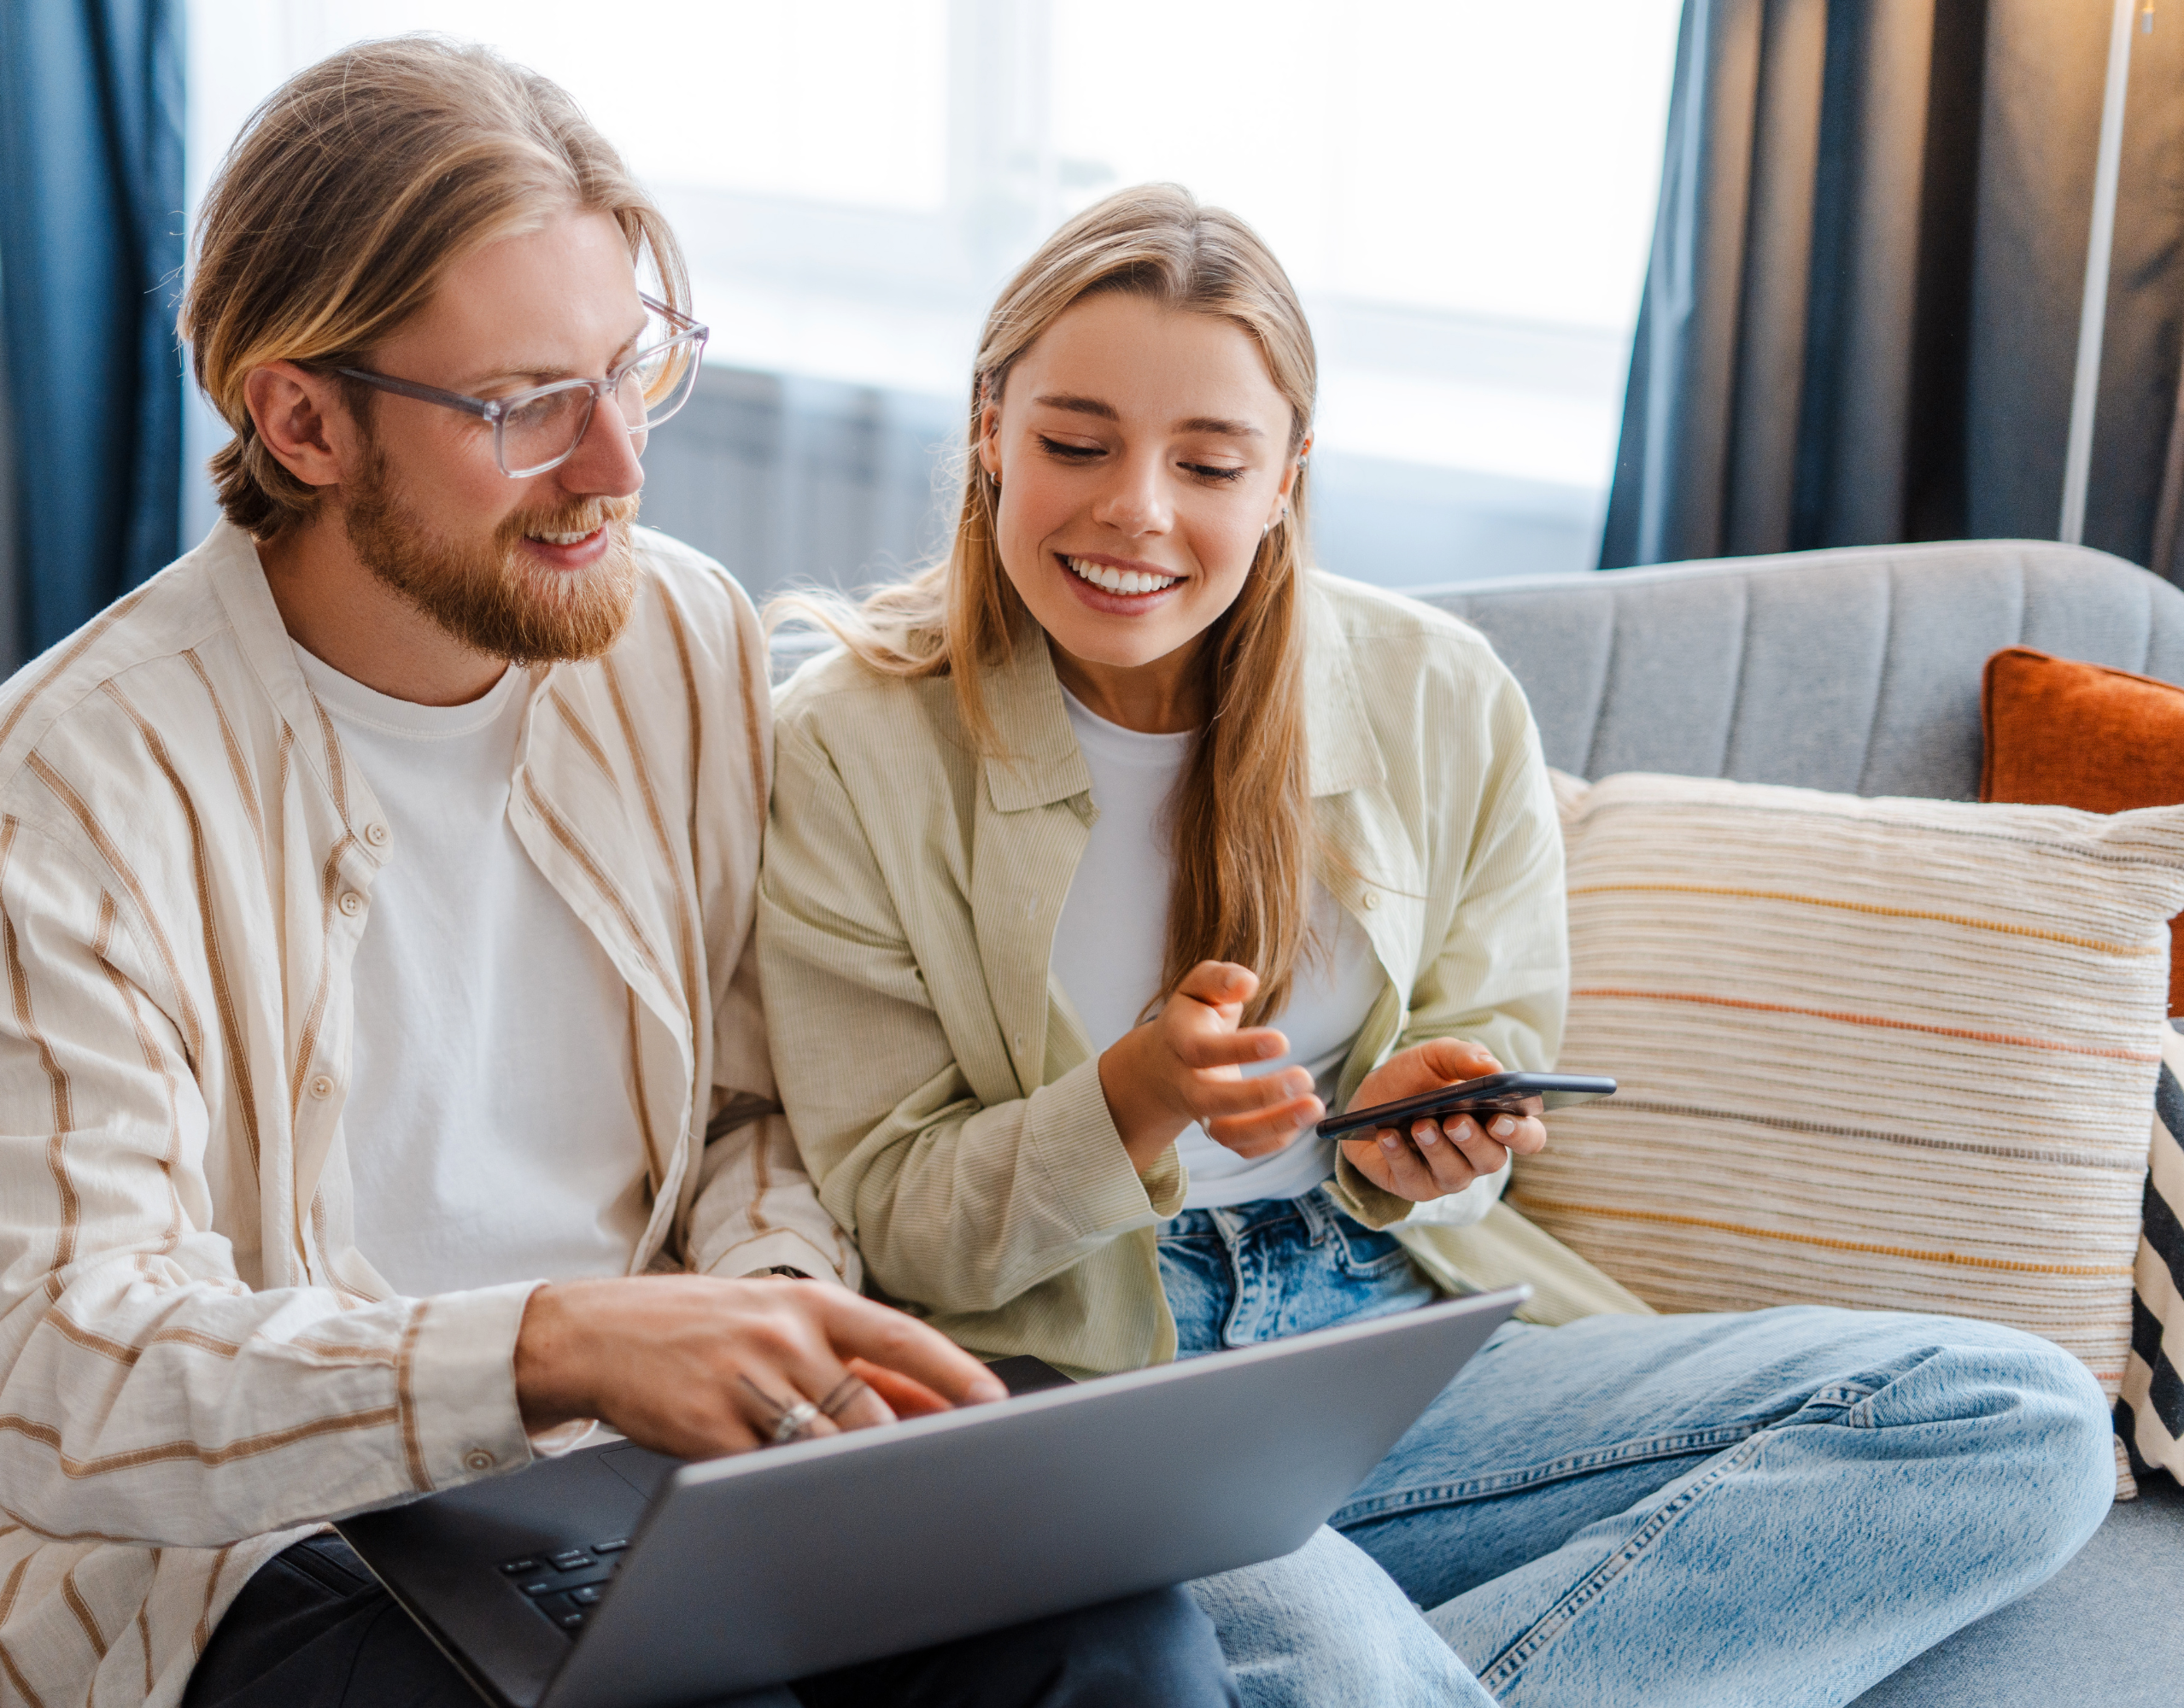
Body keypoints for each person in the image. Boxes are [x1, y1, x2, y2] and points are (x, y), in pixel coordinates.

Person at [0, 42, 1237, 1708]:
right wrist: (555, 1342)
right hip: (270, 1553)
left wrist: (773, 1334)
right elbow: (61, 1377)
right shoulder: (66, 789)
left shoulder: (674, 635)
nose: (616, 465)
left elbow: (756, 1116)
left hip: (651, 1471)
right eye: (526, 403)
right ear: (302, 418)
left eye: (631, 369)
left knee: (1117, 1625)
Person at [755, 184, 2114, 1708]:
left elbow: (1490, 1069)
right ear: (991, 428)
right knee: (1329, 1659)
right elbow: (896, 1216)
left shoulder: (1437, 695)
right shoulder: (844, 747)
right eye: (1076, 443)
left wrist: (1420, 1131)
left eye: (1209, 463)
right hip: (1100, 1389)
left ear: (1287, 479)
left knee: (2019, 1414)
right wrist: (1132, 1099)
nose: (1135, 508)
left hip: (1396, 1344)